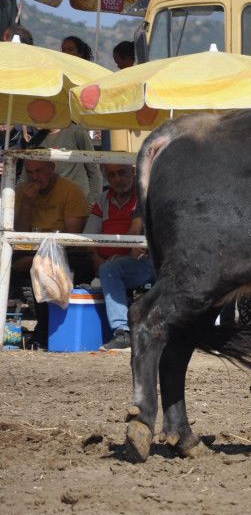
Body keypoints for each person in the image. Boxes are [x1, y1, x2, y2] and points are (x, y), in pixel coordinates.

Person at [10, 159, 91, 349]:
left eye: (39, 170)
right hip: (30, 248)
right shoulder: (23, 192)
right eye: (30, 171)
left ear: (51, 168)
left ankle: (44, 331)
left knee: (41, 267)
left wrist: (36, 258)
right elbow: (20, 232)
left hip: (67, 252)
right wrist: (28, 204)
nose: (34, 176)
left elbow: (72, 237)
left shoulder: (70, 190)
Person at [88, 164, 153, 351]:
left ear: (133, 172)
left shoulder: (144, 195)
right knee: (107, 269)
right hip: (123, 262)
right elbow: (88, 235)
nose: (117, 179)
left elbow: (134, 229)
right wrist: (96, 257)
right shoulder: (103, 200)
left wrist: (133, 245)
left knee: (111, 269)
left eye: (121, 173)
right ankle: (122, 332)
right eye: (111, 175)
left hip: (152, 259)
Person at [38, 123, 102, 205]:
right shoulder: (36, 141)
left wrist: (91, 203)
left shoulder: (77, 132)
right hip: (50, 206)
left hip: (78, 203)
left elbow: (94, 170)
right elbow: (25, 178)